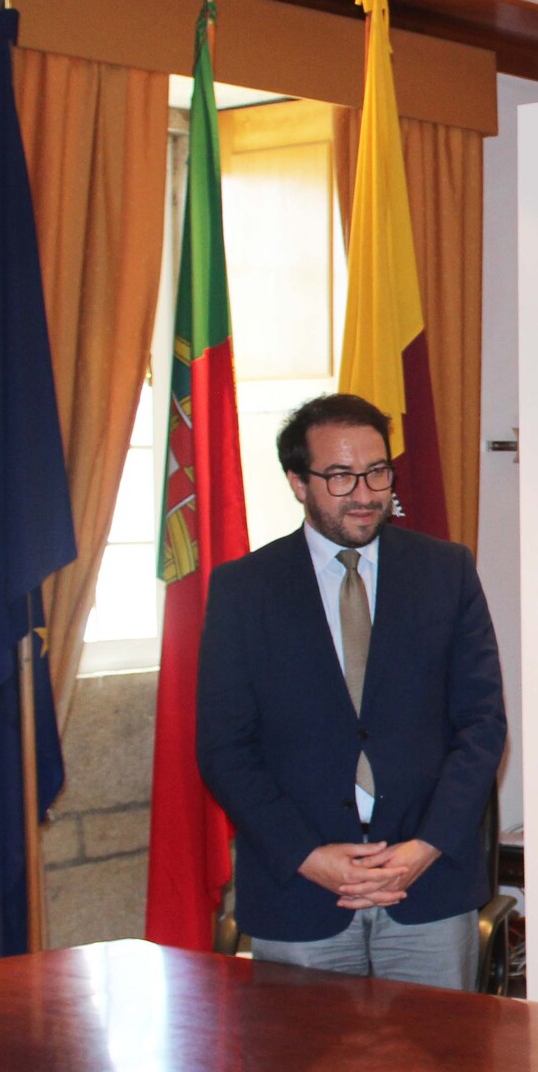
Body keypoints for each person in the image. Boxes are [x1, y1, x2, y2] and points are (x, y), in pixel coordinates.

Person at [197, 394, 506, 990]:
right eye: (340, 476)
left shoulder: (446, 572)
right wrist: (309, 857)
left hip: (427, 887)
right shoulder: (245, 590)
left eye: (377, 472)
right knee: (304, 1053)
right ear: (298, 482)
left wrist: (425, 847)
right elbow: (225, 748)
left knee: (441, 1051)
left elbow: (483, 724)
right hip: (299, 890)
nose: (365, 494)